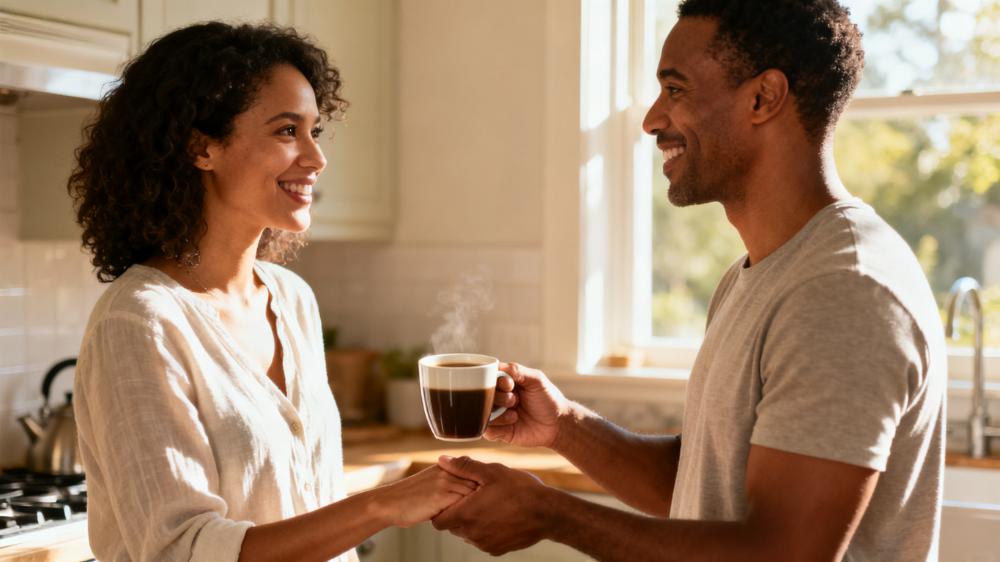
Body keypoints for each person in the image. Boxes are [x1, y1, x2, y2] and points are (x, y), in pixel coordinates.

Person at [431, 1, 947, 560]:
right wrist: (564, 426)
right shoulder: (758, 274)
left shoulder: (844, 289)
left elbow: (782, 553)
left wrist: (553, 513)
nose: (652, 119)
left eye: (675, 90)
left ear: (762, 98)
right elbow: (702, 481)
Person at [70, 22, 476, 562]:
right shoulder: (140, 321)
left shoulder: (291, 298)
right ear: (202, 147)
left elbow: (316, 500)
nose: (315, 157)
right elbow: (181, 552)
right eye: (288, 131)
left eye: (314, 130)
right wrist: (380, 507)